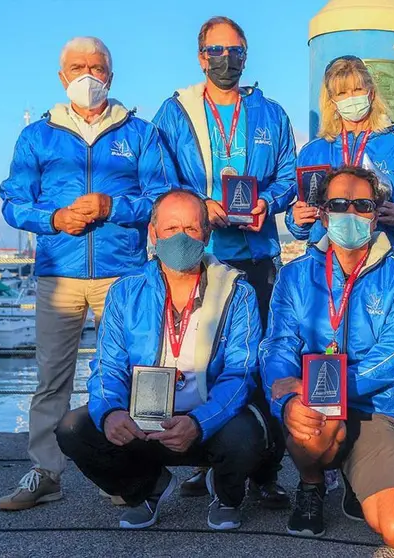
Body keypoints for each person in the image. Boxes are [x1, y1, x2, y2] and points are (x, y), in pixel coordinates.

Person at [0, 37, 174, 510]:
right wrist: (54, 218)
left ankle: (122, 470)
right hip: (59, 274)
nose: (88, 75)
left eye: (97, 67)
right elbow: (13, 202)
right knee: (51, 379)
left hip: (124, 275)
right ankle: (45, 472)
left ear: (110, 76)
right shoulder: (38, 137)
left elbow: (163, 198)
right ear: (62, 76)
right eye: (78, 67)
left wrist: (113, 206)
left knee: (127, 375)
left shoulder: (140, 133)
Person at [56, 190, 269, 531]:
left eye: (191, 228)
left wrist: (200, 422)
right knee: (74, 428)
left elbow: (240, 373)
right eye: (170, 229)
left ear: (207, 234)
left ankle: (226, 493)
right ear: (153, 233)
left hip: (208, 419)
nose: (181, 238)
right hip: (145, 419)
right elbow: (107, 367)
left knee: (249, 432)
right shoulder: (125, 291)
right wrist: (111, 412)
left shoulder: (237, 292)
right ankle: (147, 487)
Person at [153, 15, 294, 505]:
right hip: (200, 258)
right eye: (216, 51)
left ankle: (266, 470)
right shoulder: (175, 113)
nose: (226, 59)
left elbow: (289, 175)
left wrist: (268, 202)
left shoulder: (271, 114)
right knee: (199, 363)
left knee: (262, 364)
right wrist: (200, 205)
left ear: (246, 55)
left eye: (235, 51)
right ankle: (205, 462)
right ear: (201, 57)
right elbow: (159, 179)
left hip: (257, 257)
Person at [261, 167, 394, 549]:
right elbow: (278, 347)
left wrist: (323, 387)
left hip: (374, 409)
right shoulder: (295, 275)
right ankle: (311, 483)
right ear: (322, 214)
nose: (350, 213)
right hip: (314, 410)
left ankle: (356, 477)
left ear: (376, 214)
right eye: (338, 204)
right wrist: (286, 400)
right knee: (319, 420)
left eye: (362, 205)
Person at [286, 55, 394, 262]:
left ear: (371, 93)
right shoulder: (313, 152)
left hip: (385, 262)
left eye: (357, 89)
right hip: (327, 263)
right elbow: (300, 216)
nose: (351, 98)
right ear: (332, 101)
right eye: (342, 93)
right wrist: (296, 218)